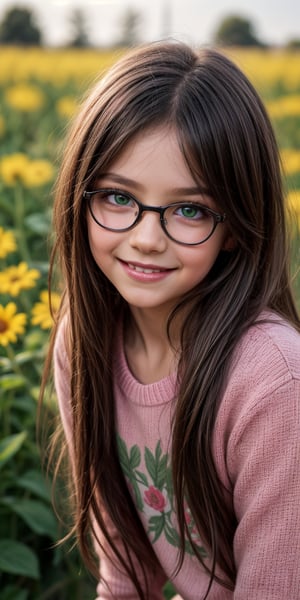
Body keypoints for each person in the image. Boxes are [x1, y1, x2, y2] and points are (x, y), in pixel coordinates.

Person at [45, 41, 300, 599]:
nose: (145, 238)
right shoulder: (84, 341)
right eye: (116, 197)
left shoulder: (275, 383)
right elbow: (125, 571)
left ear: (236, 224)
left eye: (189, 209)